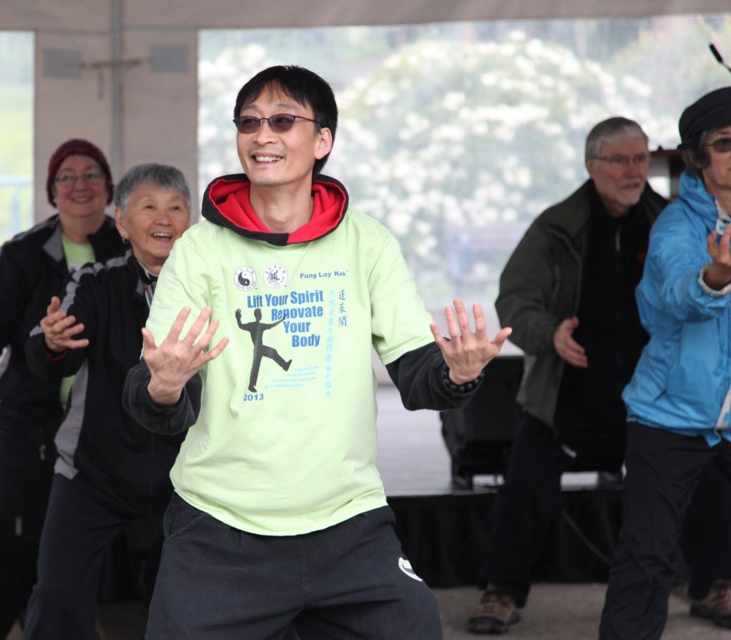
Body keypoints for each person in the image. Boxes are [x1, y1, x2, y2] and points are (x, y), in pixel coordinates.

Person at [121, 64, 511, 640]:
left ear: (322, 140)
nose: (262, 135)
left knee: (416, 626)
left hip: (348, 525)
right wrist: (164, 386)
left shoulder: (367, 241)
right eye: (249, 122)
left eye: (283, 120)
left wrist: (458, 372)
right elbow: (158, 395)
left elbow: (417, 376)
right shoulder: (199, 250)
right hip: (220, 528)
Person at [469, 117, 731, 634]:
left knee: (710, 479)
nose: (633, 171)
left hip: (655, 398)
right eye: (619, 160)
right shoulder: (556, 226)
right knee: (526, 486)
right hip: (569, 396)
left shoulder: (670, 220)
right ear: (590, 165)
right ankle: (501, 591)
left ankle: (715, 586)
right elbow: (515, 297)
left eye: (641, 159)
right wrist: (549, 332)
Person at [0, 139, 120, 640]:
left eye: (91, 175)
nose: (79, 185)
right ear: (52, 192)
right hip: (28, 420)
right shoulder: (22, 254)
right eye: (67, 177)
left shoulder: (126, 248)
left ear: (108, 189)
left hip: (102, 425)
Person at [599, 86, 731, 639]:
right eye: (725, 143)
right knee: (646, 555)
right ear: (697, 157)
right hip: (668, 417)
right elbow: (672, 297)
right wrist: (716, 275)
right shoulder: (675, 227)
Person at [20, 163, 192, 640]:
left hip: (188, 478)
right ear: (122, 222)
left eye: (176, 206)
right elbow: (53, 350)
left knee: (204, 604)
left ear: (190, 220)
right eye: (149, 206)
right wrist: (52, 341)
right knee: (56, 598)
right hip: (93, 473)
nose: (164, 217)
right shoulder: (97, 282)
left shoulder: (211, 287)